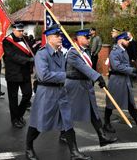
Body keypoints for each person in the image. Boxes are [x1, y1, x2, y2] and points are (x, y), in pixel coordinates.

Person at [25, 24, 91, 160]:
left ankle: (74, 152)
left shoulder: (60, 53)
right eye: (57, 36)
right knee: (38, 123)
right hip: (47, 93)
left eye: (60, 35)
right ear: (49, 38)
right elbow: (43, 75)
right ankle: (28, 147)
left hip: (61, 92)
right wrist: (64, 76)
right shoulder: (41, 54)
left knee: (68, 122)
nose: (60, 38)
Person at [65, 29, 117, 147]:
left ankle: (102, 137)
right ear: (79, 38)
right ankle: (64, 133)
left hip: (85, 84)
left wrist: (96, 78)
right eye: (86, 38)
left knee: (93, 110)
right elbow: (83, 67)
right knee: (69, 112)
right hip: (74, 85)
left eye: (89, 38)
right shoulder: (73, 52)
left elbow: (88, 69)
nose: (89, 39)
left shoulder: (86, 51)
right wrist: (98, 77)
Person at [104, 32, 137, 133]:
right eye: (126, 39)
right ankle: (106, 123)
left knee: (130, 103)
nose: (128, 41)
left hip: (124, 80)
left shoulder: (123, 50)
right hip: (117, 81)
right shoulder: (115, 52)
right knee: (111, 104)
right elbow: (116, 66)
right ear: (120, 40)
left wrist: (130, 71)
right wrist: (130, 70)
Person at [3, 23, 34, 129]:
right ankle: (14, 119)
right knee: (13, 98)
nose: (21, 33)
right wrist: (28, 60)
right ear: (14, 30)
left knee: (28, 94)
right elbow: (12, 56)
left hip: (25, 73)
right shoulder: (7, 41)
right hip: (13, 73)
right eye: (19, 31)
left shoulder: (25, 39)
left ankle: (19, 114)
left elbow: (31, 50)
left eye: (22, 30)